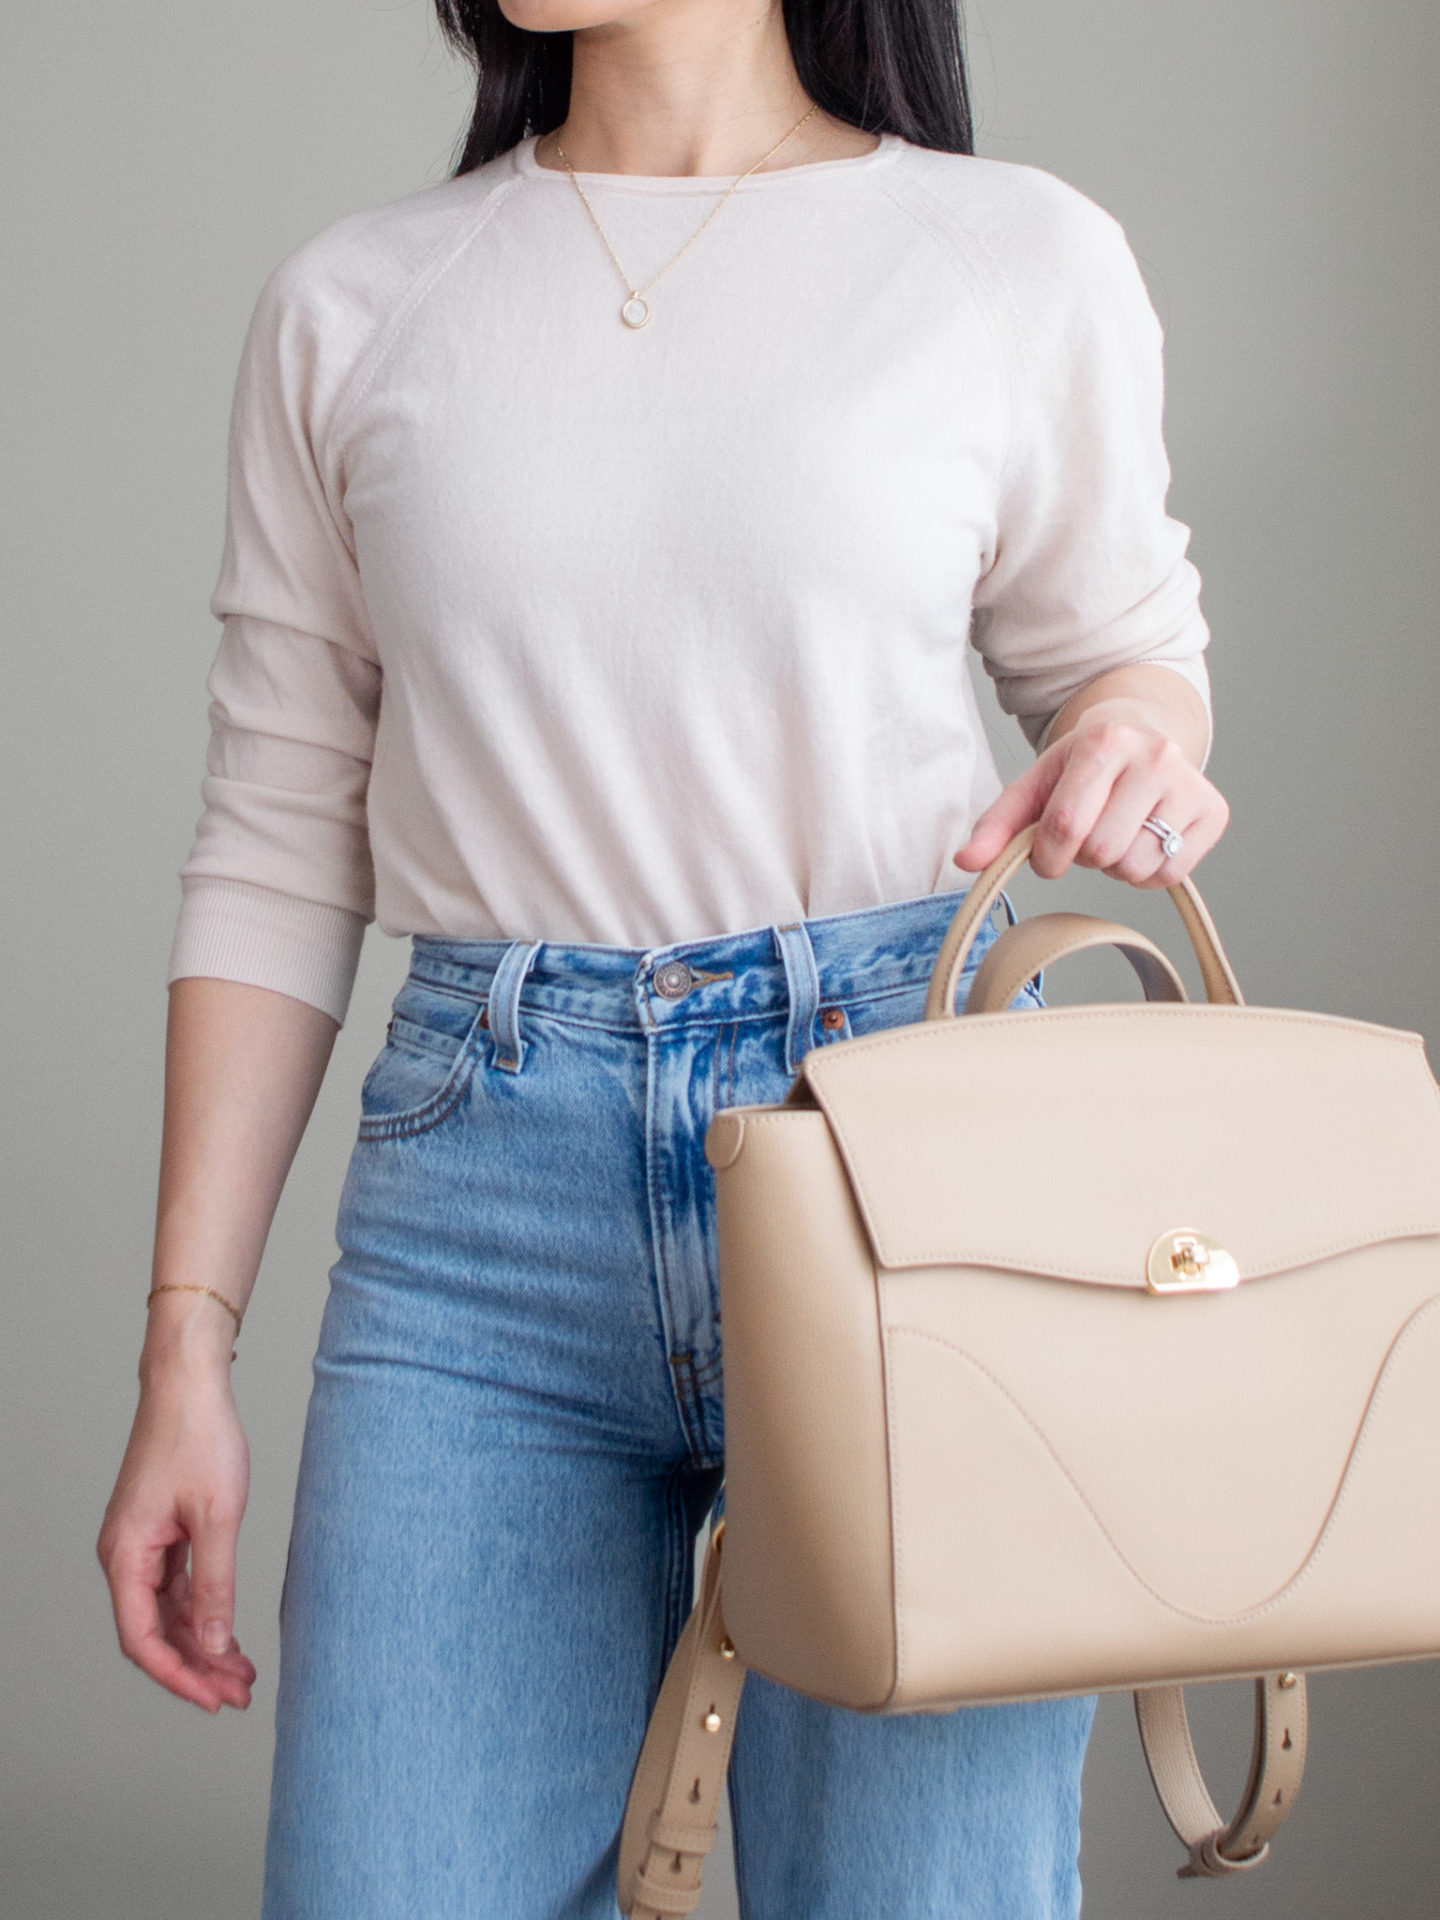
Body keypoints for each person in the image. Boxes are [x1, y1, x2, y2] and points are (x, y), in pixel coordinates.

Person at [96, 0, 1229, 1913]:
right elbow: (279, 838)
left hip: (912, 1178)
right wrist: (182, 1353)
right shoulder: (357, 305)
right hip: (484, 1222)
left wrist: (1138, 741)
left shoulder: (1011, 252)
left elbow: (1129, 659)